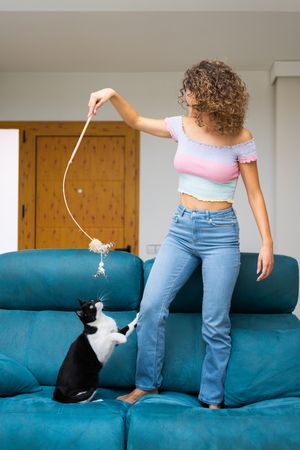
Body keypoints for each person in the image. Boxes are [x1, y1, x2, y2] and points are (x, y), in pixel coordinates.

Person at [87, 59, 274, 409]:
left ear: (213, 95)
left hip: (221, 235)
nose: (187, 96)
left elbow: (254, 193)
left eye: (194, 91)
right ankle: (147, 385)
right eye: (187, 90)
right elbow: (137, 121)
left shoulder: (240, 138)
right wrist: (111, 93)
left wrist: (267, 241)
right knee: (153, 305)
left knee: (215, 320)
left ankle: (212, 398)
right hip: (181, 229)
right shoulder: (181, 126)